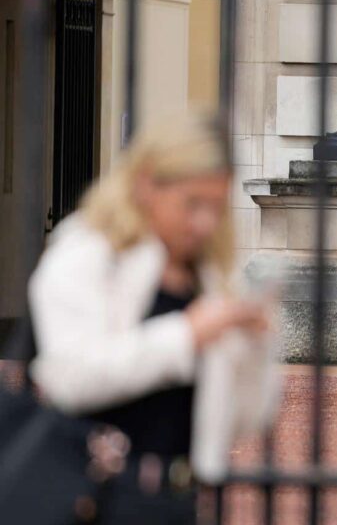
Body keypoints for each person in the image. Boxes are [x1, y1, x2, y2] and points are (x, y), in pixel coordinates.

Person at [27, 112, 279, 524]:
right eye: (192, 204)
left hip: (178, 498)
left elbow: (245, 418)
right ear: (146, 183)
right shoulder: (89, 250)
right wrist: (187, 335)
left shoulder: (209, 272)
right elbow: (68, 378)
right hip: (91, 497)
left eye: (216, 207)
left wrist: (254, 346)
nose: (205, 223)